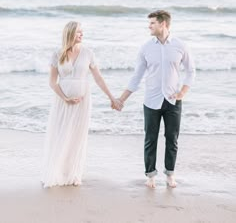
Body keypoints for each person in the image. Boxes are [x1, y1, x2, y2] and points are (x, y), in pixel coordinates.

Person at [113, 10, 195, 188]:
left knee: (172, 138)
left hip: (173, 101)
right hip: (151, 100)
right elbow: (137, 76)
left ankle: (170, 175)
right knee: (150, 138)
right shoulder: (146, 48)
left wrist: (182, 93)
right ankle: (150, 176)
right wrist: (122, 99)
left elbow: (191, 71)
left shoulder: (180, 45)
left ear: (163, 24)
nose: (149, 26)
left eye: (152, 23)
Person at [41, 21, 121, 188]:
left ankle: (74, 173)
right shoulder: (58, 54)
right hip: (62, 101)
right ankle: (57, 172)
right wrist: (65, 98)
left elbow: (98, 78)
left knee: (77, 136)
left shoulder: (88, 53)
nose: (82, 34)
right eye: (78, 32)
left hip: (83, 101)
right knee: (61, 133)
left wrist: (112, 97)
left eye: (82, 31)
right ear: (70, 34)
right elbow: (52, 82)